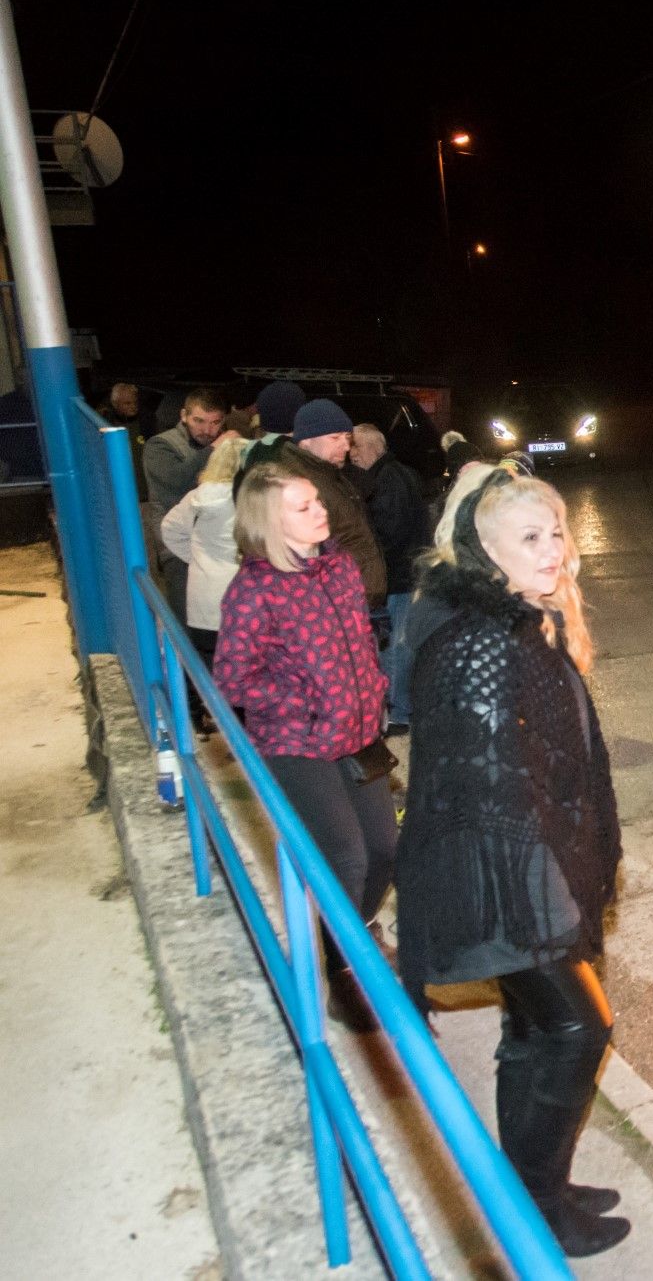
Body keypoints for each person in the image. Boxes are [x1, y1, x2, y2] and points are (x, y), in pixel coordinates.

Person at [394, 469, 629, 1257]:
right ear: (486, 553)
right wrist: (548, 897)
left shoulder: (518, 624)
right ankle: (532, 1210)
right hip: (501, 881)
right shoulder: (484, 642)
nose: (553, 550)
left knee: (531, 1028)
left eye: (557, 531)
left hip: (520, 871)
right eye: (530, 537)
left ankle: (537, 1184)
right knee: (577, 1027)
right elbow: (491, 798)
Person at [213, 463, 397, 1036]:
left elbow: (361, 640)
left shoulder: (339, 568)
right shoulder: (253, 590)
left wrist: (373, 685)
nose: (321, 511)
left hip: (359, 735)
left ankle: (358, 930)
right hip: (297, 744)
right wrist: (307, 700)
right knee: (346, 857)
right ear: (270, 521)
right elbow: (231, 679)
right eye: (304, 506)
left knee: (386, 848)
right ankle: (341, 972)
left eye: (318, 501)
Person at [239, 392, 389, 607]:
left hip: (353, 602)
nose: (346, 447)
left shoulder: (332, 475)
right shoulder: (296, 483)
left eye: (347, 438)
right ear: (307, 441)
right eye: (335, 438)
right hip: (332, 607)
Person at [349, 424, 430, 733]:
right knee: (401, 643)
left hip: (397, 576)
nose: (353, 453)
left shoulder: (387, 480)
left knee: (395, 646)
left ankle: (398, 712)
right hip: (408, 573)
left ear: (376, 448)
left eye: (358, 446)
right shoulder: (398, 474)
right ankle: (400, 707)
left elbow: (388, 532)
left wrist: (368, 562)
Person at [160, 436, 251, 668]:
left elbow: (169, 530)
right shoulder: (253, 500)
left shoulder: (195, 499)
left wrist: (197, 559)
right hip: (244, 602)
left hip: (203, 606)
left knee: (210, 670)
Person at [143, 388, 230, 623]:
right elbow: (175, 483)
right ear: (184, 416)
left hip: (220, 546)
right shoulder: (159, 445)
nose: (207, 430)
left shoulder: (226, 445)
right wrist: (214, 450)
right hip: (177, 548)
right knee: (187, 621)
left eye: (215, 423)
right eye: (198, 421)